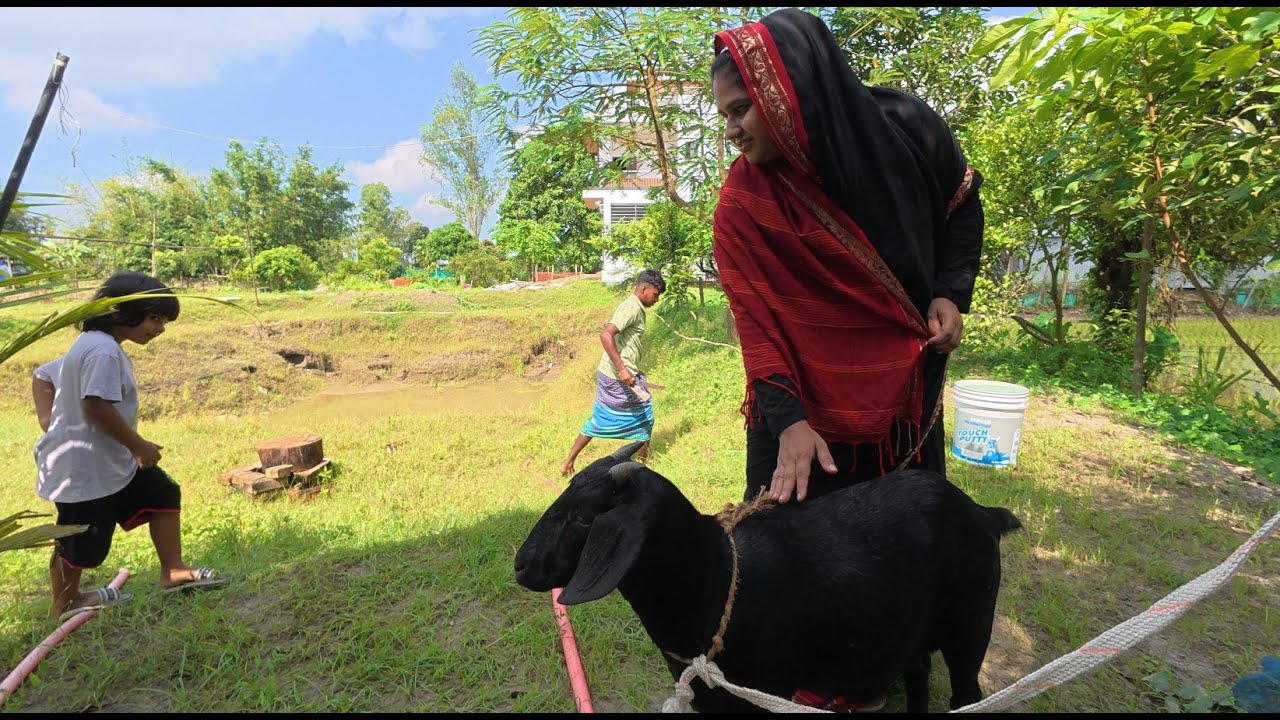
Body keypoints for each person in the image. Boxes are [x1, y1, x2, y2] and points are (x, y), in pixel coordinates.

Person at [711, 9, 985, 506]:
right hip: (797, 414)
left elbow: (961, 206)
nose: (731, 130)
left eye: (740, 109)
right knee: (792, 563)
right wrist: (789, 423)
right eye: (724, 116)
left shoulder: (907, 130)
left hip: (901, 405)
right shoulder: (744, 201)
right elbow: (755, 323)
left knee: (899, 549)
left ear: (789, 87)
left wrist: (950, 292)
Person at [32, 272, 229, 622]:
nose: (160, 328)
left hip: (107, 462)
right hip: (84, 471)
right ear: (121, 312)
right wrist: (138, 445)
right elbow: (96, 405)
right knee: (80, 541)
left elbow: (43, 374)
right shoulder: (103, 350)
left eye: (164, 320)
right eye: (155, 318)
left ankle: (173, 571)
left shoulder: (93, 344)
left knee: (162, 493)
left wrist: (52, 420)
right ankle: (66, 601)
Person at [560, 269, 666, 477]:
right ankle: (641, 466)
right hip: (616, 376)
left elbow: (625, 343)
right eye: (655, 294)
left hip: (623, 374)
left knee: (643, 417)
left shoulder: (636, 308)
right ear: (643, 289)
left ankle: (641, 465)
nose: (657, 299)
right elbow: (606, 334)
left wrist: (633, 368)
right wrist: (621, 368)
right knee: (632, 417)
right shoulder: (630, 308)